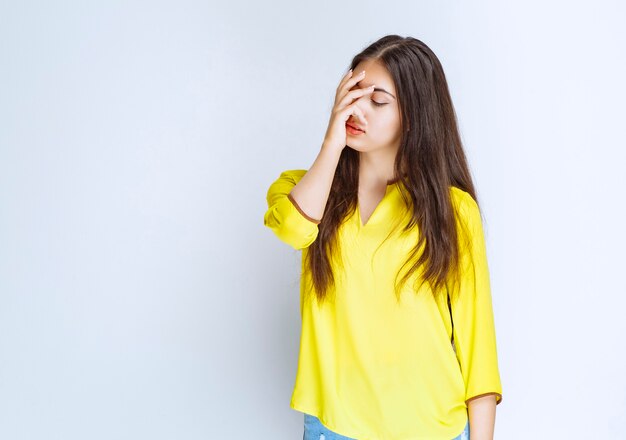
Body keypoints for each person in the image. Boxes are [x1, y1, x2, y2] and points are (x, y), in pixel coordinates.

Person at [263, 34, 503, 440]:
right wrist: (331, 143)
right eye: (353, 93)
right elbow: (294, 228)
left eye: (378, 100)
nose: (358, 109)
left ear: (416, 114)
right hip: (334, 427)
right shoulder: (305, 191)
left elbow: (477, 347)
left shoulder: (452, 210)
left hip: (433, 429)